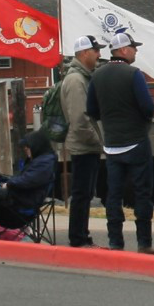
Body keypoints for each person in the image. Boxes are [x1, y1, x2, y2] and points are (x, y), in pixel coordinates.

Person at [86, 36, 154, 252]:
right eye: (134, 48)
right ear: (124, 50)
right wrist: (143, 119)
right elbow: (148, 107)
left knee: (113, 194)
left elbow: (92, 110)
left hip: (112, 143)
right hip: (136, 140)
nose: (136, 52)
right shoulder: (133, 74)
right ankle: (144, 242)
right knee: (142, 193)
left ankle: (115, 241)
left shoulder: (97, 75)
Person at [58, 37, 105, 248]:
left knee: (84, 194)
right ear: (84, 53)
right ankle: (78, 237)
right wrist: (98, 142)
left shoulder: (82, 78)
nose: (99, 55)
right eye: (95, 51)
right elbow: (79, 119)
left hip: (85, 144)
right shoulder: (76, 80)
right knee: (81, 194)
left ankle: (81, 234)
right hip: (83, 145)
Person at [0, 130, 59, 239]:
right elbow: (23, 178)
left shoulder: (45, 162)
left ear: (36, 146)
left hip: (22, 203)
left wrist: (9, 184)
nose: (26, 150)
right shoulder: (35, 160)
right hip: (17, 196)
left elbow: (28, 180)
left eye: (27, 147)